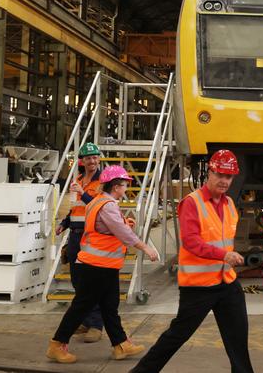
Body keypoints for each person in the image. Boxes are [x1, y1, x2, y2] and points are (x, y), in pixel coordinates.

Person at [130, 149, 254, 373]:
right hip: (199, 286)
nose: (224, 181)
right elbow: (191, 242)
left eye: (229, 177)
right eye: (220, 175)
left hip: (226, 282)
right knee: (177, 336)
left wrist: (227, 257)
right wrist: (224, 255)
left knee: (238, 337)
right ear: (210, 172)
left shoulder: (229, 205)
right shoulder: (192, 203)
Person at [47, 165, 159, 364]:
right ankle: (57, 344)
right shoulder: (107, 205)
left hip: (103, 266)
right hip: (95, 266)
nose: (126, 189)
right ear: (116, 187)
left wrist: (126, 224)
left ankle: (121, 344)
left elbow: (110, 228)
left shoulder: (99, 201)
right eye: (124, 185)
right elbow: (121, 233)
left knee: (109, 306)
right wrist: (145, 248)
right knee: (82, 307)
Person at [56, 142, 104, 342]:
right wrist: (65, 223)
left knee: (91, 281)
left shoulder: (103, 181)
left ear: (98, 159)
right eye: (88, 158)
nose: (92, 161)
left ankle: (96, 325)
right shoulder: (78, 179)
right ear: (81, 161)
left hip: (91, 235)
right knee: (77, 280)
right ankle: (86, 320)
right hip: (75, 235)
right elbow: (77, 208)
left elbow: (98, 205)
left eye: (95, 157)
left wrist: (82, 193)